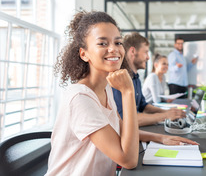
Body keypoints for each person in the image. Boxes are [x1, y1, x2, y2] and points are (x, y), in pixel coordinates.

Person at [46, 11, 198, 176]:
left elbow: (121, 128)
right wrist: (127, 92)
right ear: (84, 54)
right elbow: (128, 160)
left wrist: (159, 138)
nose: (113, 49)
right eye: (102, 43)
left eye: (118, 42)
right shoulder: (80, 98)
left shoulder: (106, 88)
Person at [112, 32, 186, 127]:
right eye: (146, 52)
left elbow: (143, 106)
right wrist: (164, 115)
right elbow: (125, 119)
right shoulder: (120, 80)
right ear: (133, 51)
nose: (148, 57)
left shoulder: (136, 78)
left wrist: (168, 112)